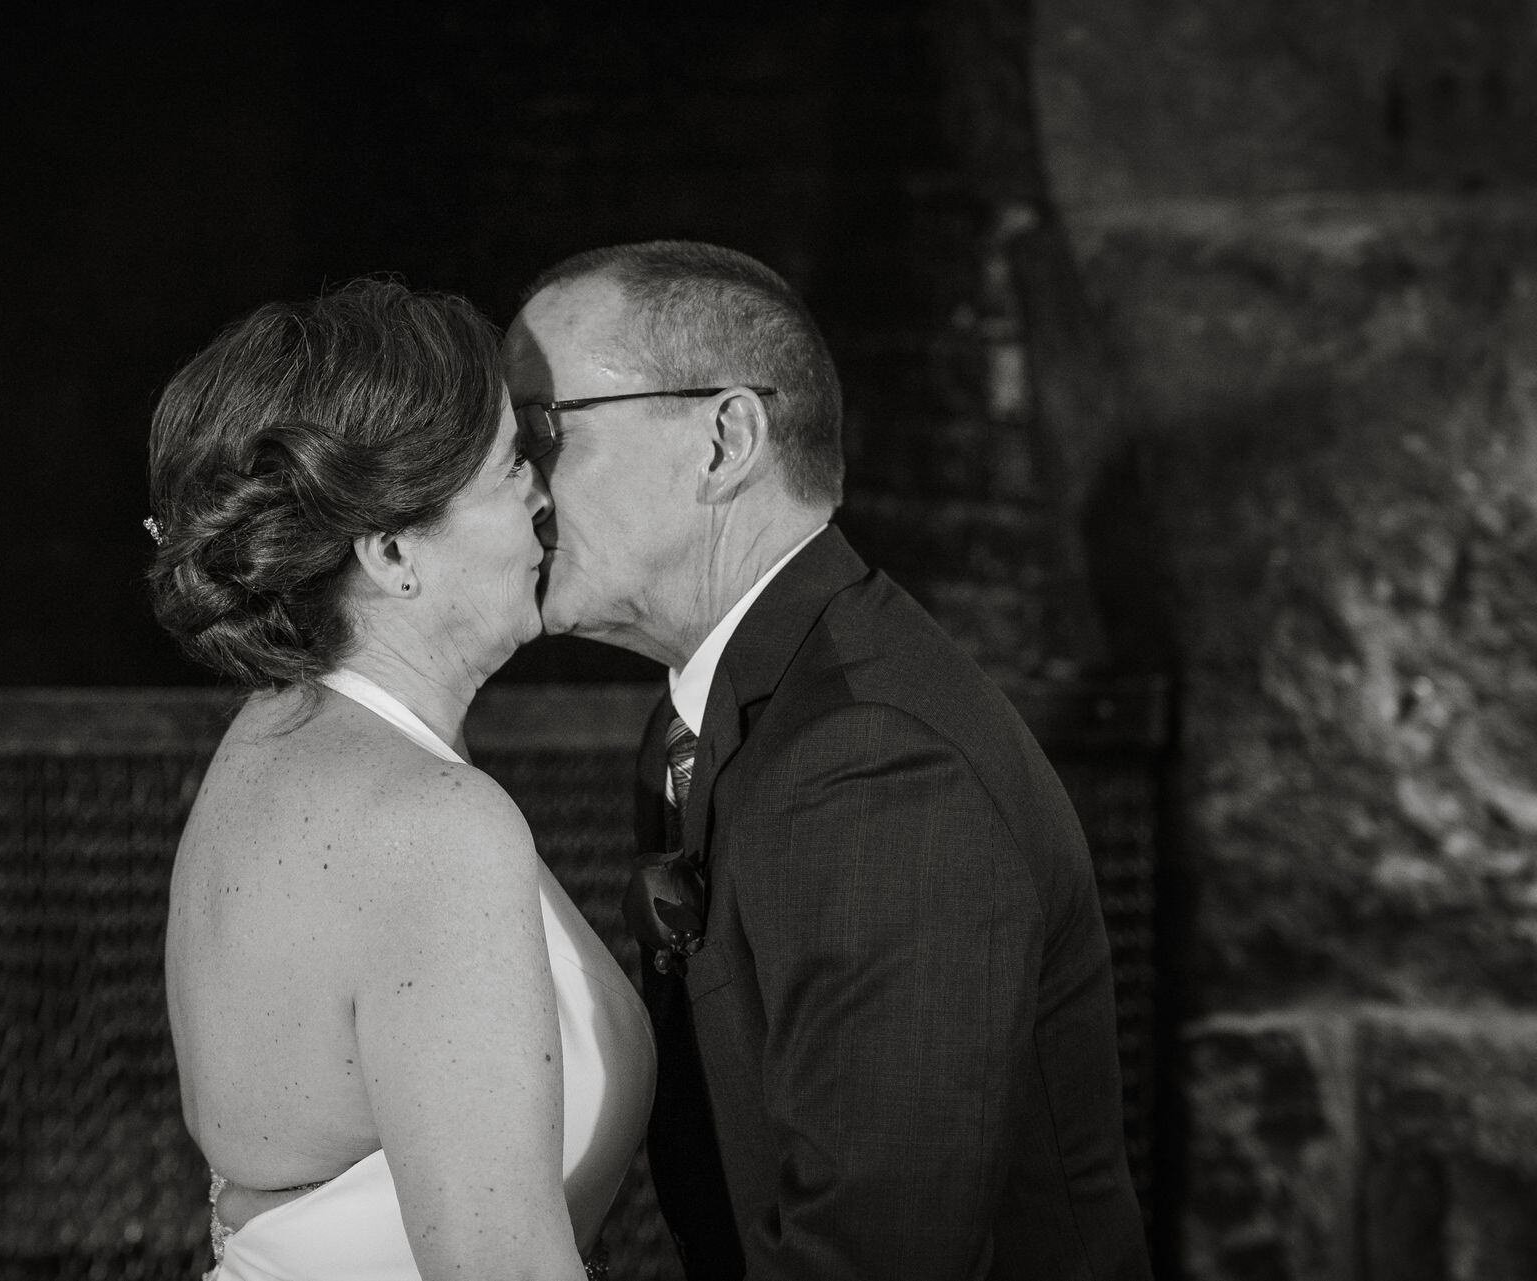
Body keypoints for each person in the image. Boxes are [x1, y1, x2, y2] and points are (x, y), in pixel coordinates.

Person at [503, 241, 1151, 1280]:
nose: (516, 487)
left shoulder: (873, 762)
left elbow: (876, 1251)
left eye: (538, 429)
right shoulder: (724, 710)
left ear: (725, 439)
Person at [148, 278, 655, 1281]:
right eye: (513, 467)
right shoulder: (429, 823)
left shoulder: (279, 738)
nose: (546, 496)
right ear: (390, 553)